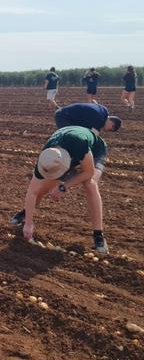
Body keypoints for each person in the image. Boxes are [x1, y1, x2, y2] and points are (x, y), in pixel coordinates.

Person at [10, 126, 109, 254]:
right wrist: (29, 223)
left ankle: (98, 236)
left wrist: (63, 187)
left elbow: (88, 172)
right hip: (66, 152)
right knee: (45, 186)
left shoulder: (79, 144)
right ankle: (25, 213)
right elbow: (32, 191)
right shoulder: (47, 157)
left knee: (90, 184)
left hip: (94, 151)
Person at [54, 102, 121, 133]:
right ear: (112, 125)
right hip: (63, 117)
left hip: (66, 113)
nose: (106, 130)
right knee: (70, 136)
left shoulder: (103, 110)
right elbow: (93, 136)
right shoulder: (98, 120)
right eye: (110, 130)